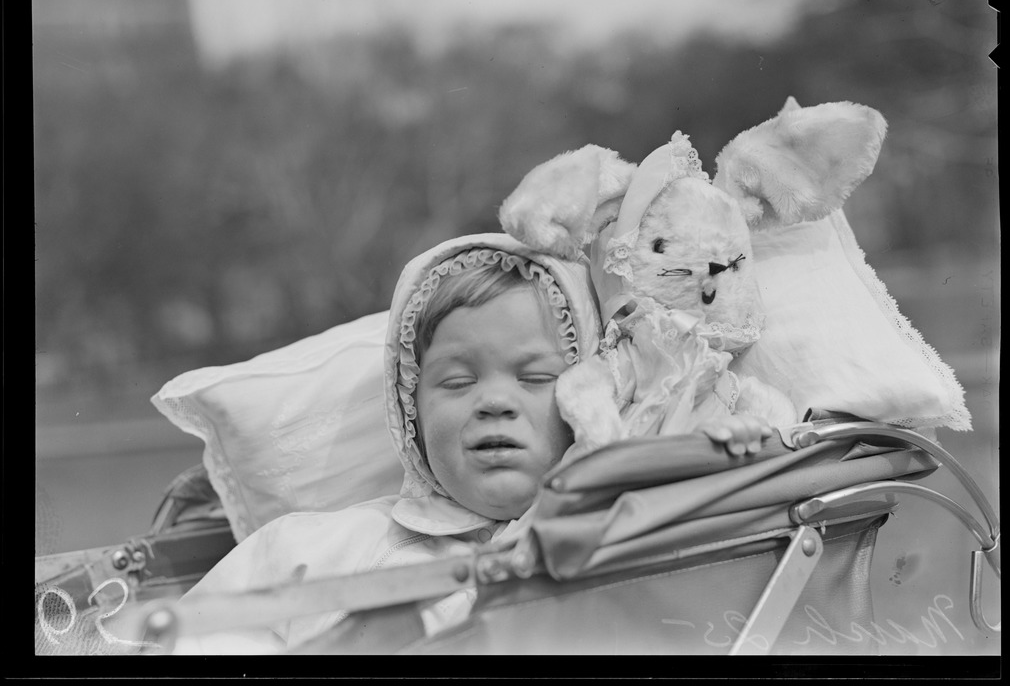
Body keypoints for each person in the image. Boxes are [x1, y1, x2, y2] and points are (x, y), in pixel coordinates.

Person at [171, 232, 771, 654]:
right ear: (410, 410)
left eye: (536, 379)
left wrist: (715, 449)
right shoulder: (312, 546)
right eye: (457, 381)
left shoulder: (611, 539)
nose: (494, 401)